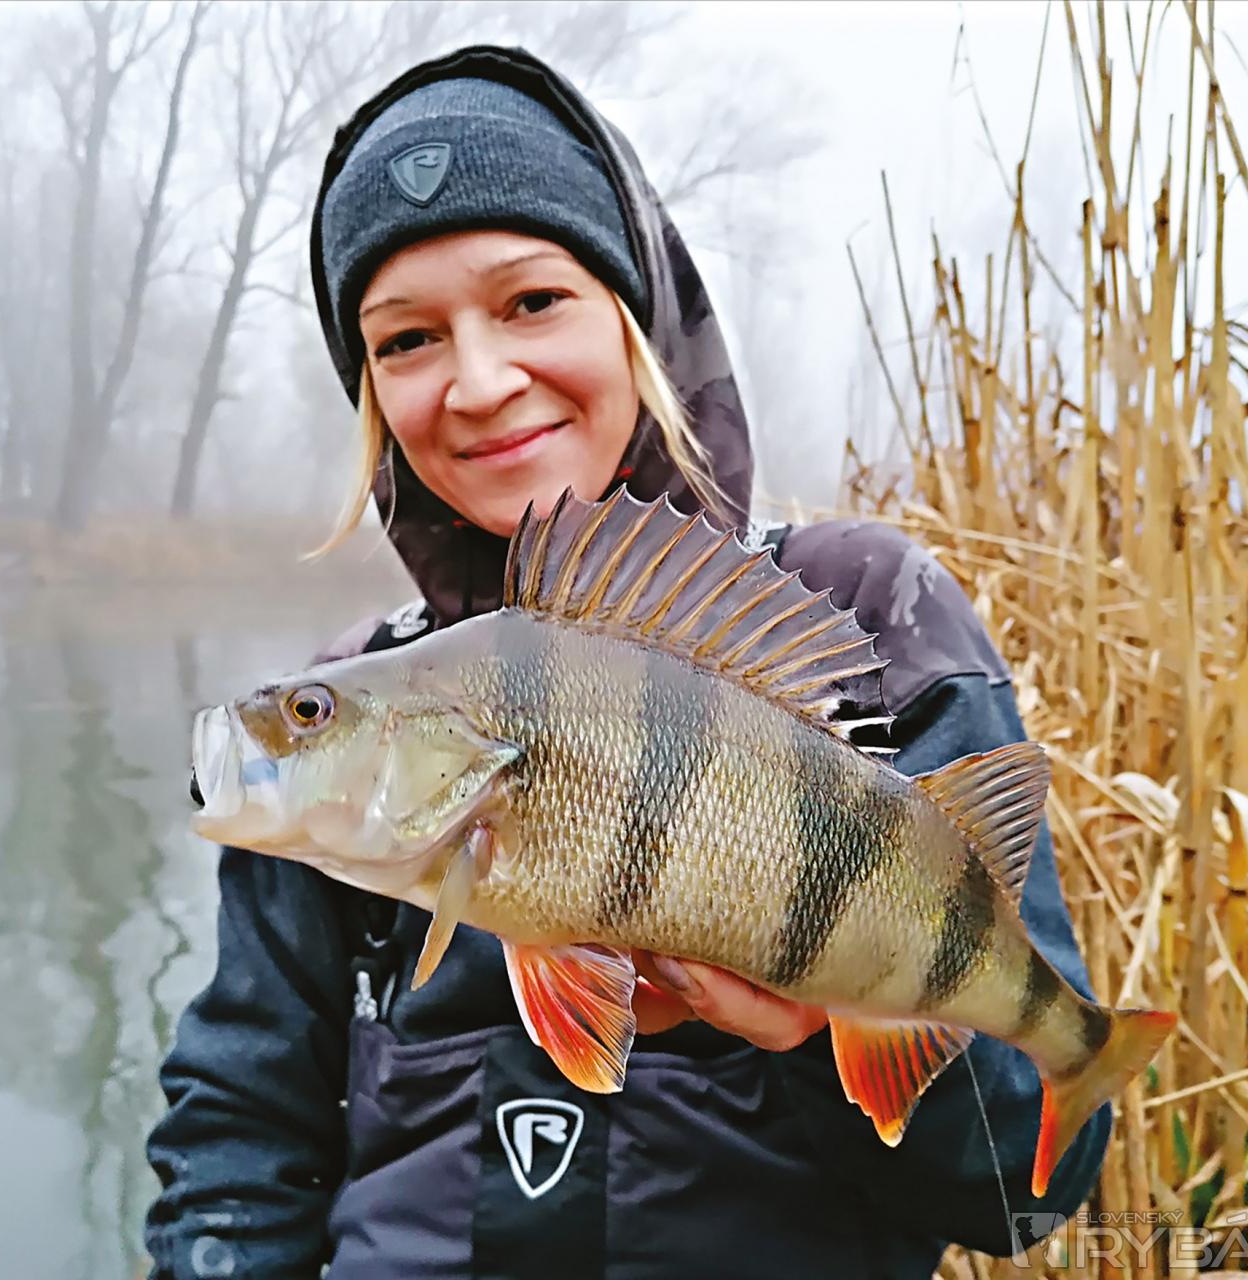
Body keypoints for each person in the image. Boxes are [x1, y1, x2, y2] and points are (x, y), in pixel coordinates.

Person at [145, 44, 1109, 1280]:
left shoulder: (871, 617)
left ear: (634, 310)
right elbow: (239, 1137)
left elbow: (1024, 1191)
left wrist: (817, 1030)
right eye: (406, 338)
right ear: (369, 388)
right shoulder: (358, 705)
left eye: (531, 301)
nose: (479, 381)